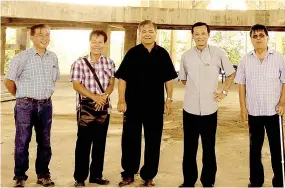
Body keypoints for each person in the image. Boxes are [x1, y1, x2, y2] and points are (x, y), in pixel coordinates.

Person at [115, 20, 178, 187]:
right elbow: (122, 79)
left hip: (155, 106)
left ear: (155, 33)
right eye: (144, 31)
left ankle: (148, 175)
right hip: (133, 106)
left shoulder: (162, 54)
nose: (147, 34)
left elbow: (169, 79)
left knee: (153, 141)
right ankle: (128, 173)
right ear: (139, 33)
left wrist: (169, 99)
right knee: (130, 140)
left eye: (150, 31)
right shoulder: (132, 53)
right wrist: (121, 99)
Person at [178, 22, 235, 187]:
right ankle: (188, 181)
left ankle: (208, 182)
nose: (200, 37)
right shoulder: (186, 56)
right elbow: (183, 78)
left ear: (208, 35)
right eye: (197, 34)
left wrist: (223, 92)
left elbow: (231, 74)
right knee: (189, 148)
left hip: (210, 108)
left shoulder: (219, 53)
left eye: (203, 33)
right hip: (190, 108)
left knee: (209, 148)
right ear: (192, 36)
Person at [234, 24, 285, 187]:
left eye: (261, 35)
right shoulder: (245, 59)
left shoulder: (278, 57)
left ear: (267, 37)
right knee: (255, 149)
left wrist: (282, 102)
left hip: (274, 112)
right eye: (255, 36)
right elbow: (241, 84)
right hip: (254, 111)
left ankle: (280, 182)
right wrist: (243, 107)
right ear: (251, 39)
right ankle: (256, 181)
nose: (258, 38)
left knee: (277, 148)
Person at [3, 24, 59, 187]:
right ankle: (20, 176)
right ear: (32, 37)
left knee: (45, 142)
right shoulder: (22, 57)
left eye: (47, 34)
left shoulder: (53, 57)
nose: (44, 38)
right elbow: (8, 80)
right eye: (40, 34)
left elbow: (53, 78)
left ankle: (43, 175)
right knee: (22, 141)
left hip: (46, 105)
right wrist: (21, 97)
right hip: (25, 106)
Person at [70, 30, 115, 187]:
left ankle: (96, 176)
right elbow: (76, 84)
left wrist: (103, 97)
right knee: (83, 143)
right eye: (94, 41)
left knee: (100, 143)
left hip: (103, 109)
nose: (96, 44)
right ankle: (80, 178)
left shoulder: (109, 62)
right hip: (86, 109)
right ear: (89, 42)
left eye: (100, 42)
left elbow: (111, 83)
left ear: (105, 44)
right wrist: (94, 97)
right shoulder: (79, 62)